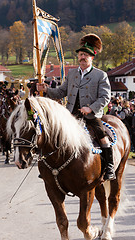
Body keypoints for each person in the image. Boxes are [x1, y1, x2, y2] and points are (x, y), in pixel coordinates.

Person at [37, 34, 115, 181]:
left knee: (102, 136)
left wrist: (90, 108)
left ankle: (110, 168)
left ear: (92, 57)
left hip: (91, 115)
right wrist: (47, 90)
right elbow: (61, 92)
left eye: (86, 55)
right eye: (80, 54)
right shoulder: (72, 73)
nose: (82, 57)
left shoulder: (101, 75)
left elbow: (105, 97)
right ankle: (48, 166)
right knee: (53, 135)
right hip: (71, 115)